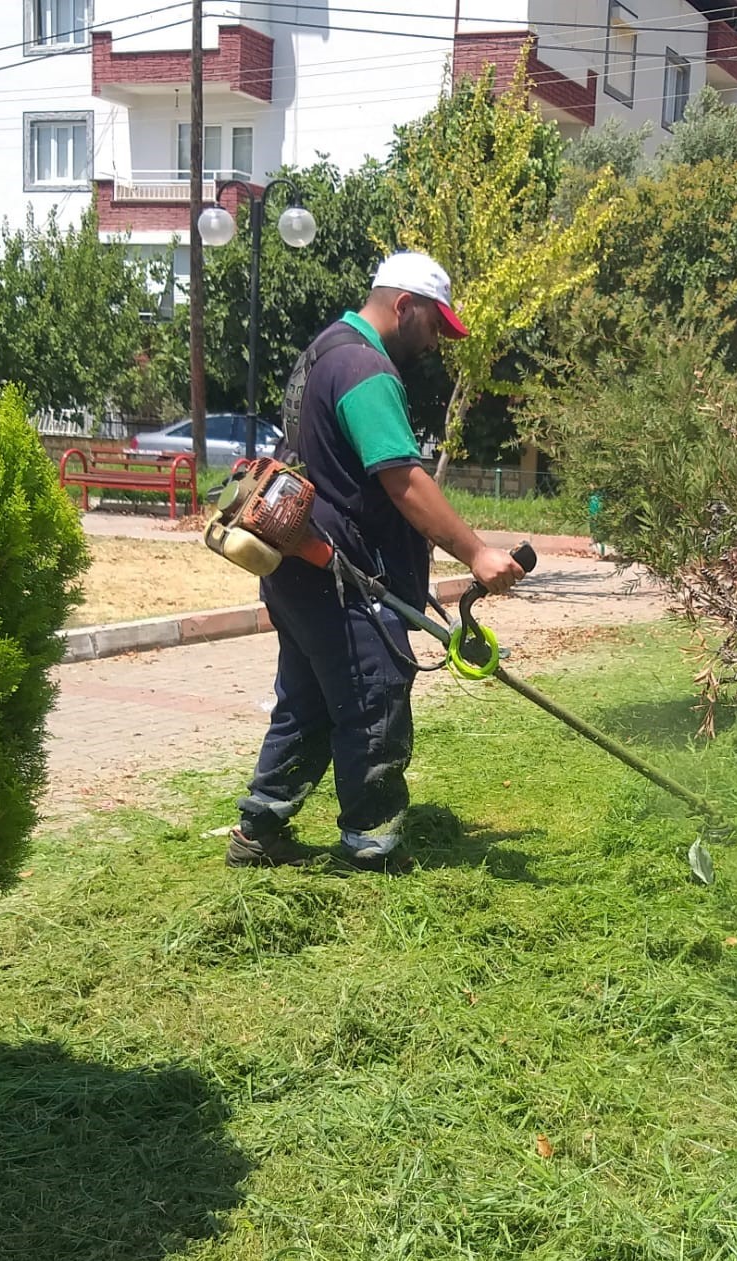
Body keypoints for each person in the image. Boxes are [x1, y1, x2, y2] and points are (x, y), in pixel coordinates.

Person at [225, 251, 524, 871]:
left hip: (300, 570)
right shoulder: (366, 368)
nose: (438, 341)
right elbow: (403, 481)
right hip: (344, 578)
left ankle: (261, 829)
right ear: (404, 306)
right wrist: (476, 553)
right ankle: (372, 847)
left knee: (306, 700)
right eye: (436, 326)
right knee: (372, 701)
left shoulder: (321, 353)